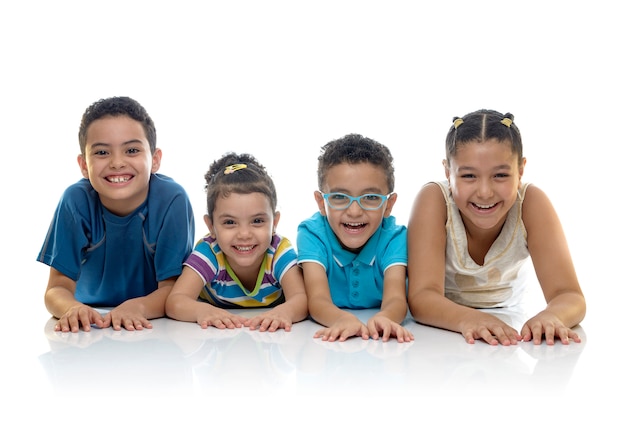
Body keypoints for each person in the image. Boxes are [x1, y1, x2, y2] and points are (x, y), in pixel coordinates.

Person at [407, 109, 586, 346]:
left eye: (500, 175)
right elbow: (422, 297)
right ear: (448, 172)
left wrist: (552, 316)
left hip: (509, 320)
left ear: (520, 170)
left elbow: (570, 295)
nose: (484, 192)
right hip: (443, 329)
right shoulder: (434, 199)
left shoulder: (531, 203)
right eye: (469, 176)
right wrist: (469, 319)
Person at [37, 96, 195, 333]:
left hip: (152, 325)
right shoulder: (75, 201)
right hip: (92, 323)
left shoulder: (172, 200)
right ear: (83, 165)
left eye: (131, 150)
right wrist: (72, 309)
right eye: (102, 152)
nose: (117, 163)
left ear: (155, 159)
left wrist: (137, 307)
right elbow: (56, 288)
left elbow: (172, 288)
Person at [165, 152, 308, 332]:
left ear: (275, 223)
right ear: (211, 226)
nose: (244, 234)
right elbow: (175, 301)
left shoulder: (278, 251)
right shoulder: (209, 252)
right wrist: (202, 311)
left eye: (257, 221)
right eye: (230, 223)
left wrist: (285, 312)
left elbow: (301, 298)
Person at [297, 133, 414, 343]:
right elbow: (317, 299)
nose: (354, 211)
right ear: (321, 202)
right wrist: (342, 319)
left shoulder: (394, 237)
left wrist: (385, 318)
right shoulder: (312, 234)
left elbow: (396, 298)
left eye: (370, 197)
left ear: (389, 204)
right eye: (339, 197)